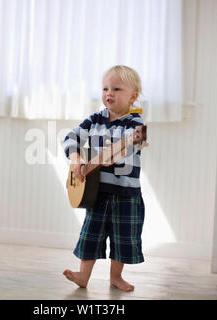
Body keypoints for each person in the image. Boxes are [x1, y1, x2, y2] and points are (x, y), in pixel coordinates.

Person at [62, 65, 145, 292]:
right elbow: (71, 137)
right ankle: (82, 275)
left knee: (123, 238)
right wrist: (76, 158)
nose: (109, 93)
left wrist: (104, 158)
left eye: (117, 89)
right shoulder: (94, 120)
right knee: (91, 235)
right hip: (97, 192)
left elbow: (126, 150)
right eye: (105, 88)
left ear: (133, 96)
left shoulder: (137, 126)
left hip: (125, 194)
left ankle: (116, 277)